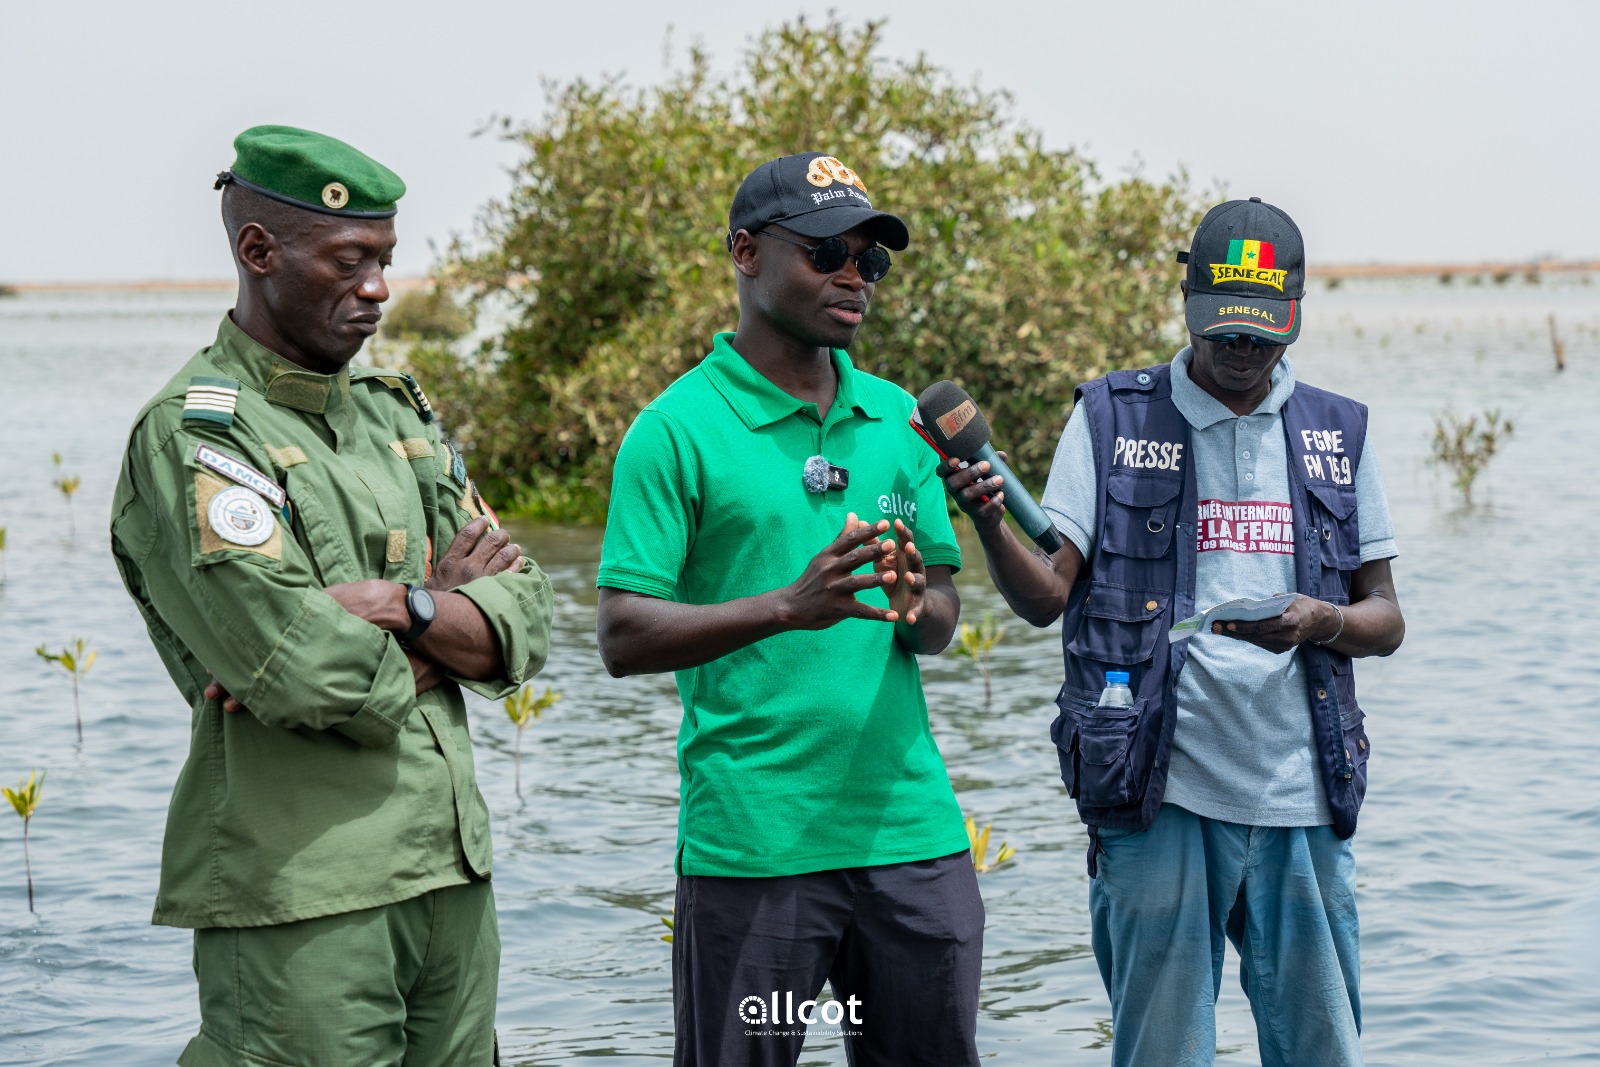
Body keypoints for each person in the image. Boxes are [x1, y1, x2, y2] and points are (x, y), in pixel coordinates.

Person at [110, 125, 554, 1067]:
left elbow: (529, 615)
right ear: (258, 252)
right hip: (306, 891)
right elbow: (303, 669)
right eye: (352, 260)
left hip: (453, 879)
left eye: (387, 261)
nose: (380, 289)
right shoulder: (198, 436)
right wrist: (447, 616)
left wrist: (404, 606)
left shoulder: (399, 416)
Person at [941, 197, 1405, 1066]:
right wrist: (990, 522)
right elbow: (1047, 597)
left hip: (1302, 793)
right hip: (1155, 789)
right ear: (1186, 302)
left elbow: (1385, 616)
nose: (1240, 351)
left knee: (1322, 1050)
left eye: (1263, 334)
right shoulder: (1114, 419)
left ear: (1295, 316)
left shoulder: (1337, 433)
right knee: (1161, 1051)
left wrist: (1323, 619)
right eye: (1222, 330)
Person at [595, 152, 983, 1067]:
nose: (854, 276)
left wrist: (912, 603)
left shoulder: (898, 421)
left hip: (912, 842)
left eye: (871, 260)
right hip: (756, 854)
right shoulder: (675, 429)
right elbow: (620, 634)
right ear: (745, 252)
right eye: (825, 253)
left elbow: (941, 617)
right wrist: (787, 605)